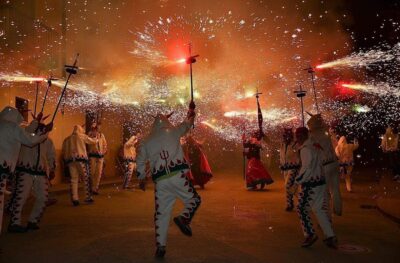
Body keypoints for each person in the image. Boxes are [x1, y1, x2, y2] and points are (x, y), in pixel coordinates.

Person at [136, 102, 200, 258]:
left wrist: (142, 178)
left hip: (161, 182)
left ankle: (161, 247)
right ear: (166, 120)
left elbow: (140, 161)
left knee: (161, 213)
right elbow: (187, 123)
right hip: (177, 176)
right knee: (193, 199)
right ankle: (183, 218)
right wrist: (191, 111)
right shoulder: (173, 131)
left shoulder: (146, 141)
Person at [0, 107, 51, 233]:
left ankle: (31, 221)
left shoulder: (7, 127)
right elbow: (29, 139)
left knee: (42, 197)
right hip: (11, 169)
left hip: (37, 172)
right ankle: (14, 223)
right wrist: (45, 133)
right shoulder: (13, 128)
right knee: (19, 198)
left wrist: (37, 123)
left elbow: (27, 133)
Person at [294, 127, 337, 248]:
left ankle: (309, 234)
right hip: (320, 182)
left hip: (311, 184)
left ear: (302, 136)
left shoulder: (306, 149)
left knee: (301, 209)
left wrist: (297, 181)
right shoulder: (315, 145)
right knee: (318, 210)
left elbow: (307, 168)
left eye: (298, 136)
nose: (296, 139)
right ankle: (330, 236)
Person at [9, 128, 56, 232]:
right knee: (21, 197)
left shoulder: (48, 140)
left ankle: (33, 220)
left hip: (40, 172)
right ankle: (15, 223)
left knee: (43, 197)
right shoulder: (27, 136)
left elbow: (51, 155)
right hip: (25, 170)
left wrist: (52, 168)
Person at [307, 113, 342, 217]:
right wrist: (318, 118)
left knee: (324, 192)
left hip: (324, 166)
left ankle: (327, 217)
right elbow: (324, 125)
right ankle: (337, 209)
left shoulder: (312, 136)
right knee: (335, 189)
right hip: (334, 163)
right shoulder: (325, 131)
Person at [62, 125, 97, 206]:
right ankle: (88, 197)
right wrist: (95, 136)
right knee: (86, 178)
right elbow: (93, 141)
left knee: (74, 179)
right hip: (81, 161)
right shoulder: (81, 136)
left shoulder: (67, 139)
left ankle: (75, 199)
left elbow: (64, 151)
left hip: (71, 161)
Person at [279, 128, 300, 211]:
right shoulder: (282, 145)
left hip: (293, 169)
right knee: (290, 187)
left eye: (288, 135)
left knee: (287, 185)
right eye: (285, 136)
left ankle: (292, 203)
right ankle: (291, 203)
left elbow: (299, 156)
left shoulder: (295, 144)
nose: (286, 137)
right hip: (285, 169)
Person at [87, 121, 107, 195]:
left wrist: (103, 152)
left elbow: (105, 144)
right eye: (97, 126)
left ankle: (95, 188)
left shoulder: (102, 135)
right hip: (93, 155)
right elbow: (89, 142)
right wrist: (94, 135)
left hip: (100, 156)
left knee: (98, 172)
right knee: (92, 172)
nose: (99, 128)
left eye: (99, 126)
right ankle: (90, 187)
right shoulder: (90, 134)